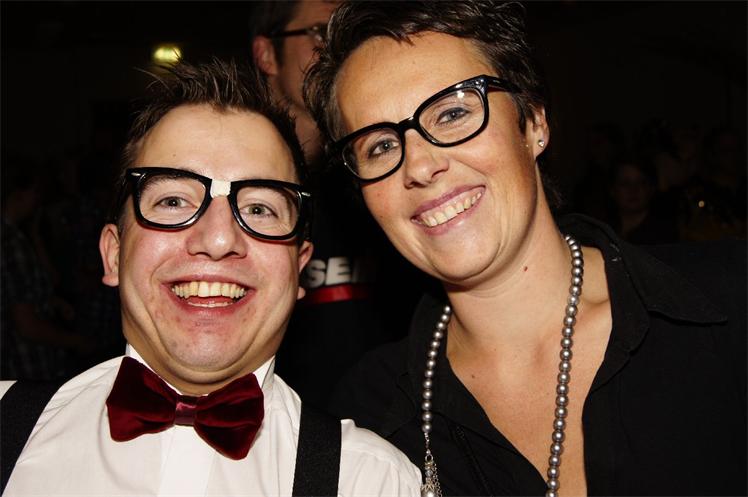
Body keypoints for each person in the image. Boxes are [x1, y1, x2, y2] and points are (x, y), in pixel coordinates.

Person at [304, 1, 747, 495]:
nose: (421, 166)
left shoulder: (729, 302)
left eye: (452, 113)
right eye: (381, 146)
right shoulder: (368, 415)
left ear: (534, 122)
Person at [0, 59, 421, 496]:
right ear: (113, 255)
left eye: (259, 209)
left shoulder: (373, 481)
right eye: (173, 201)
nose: (219, 239)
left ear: (299, 268)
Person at [250, 0, 423, 408]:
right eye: (319, 33)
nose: (334, 47)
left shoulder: (388, 172)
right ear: (266, 54)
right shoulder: (243, 189)